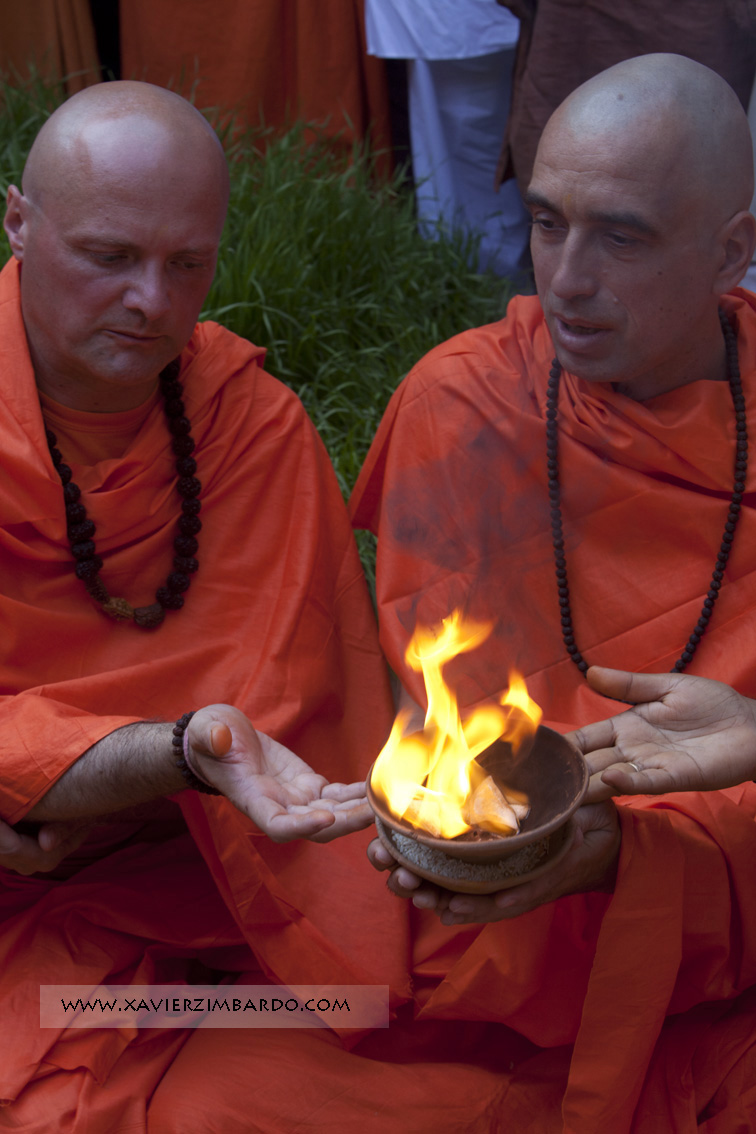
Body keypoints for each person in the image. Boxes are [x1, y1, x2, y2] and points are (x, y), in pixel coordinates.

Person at [346, 52, 756, 1133]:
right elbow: (437, 724)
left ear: (736, 251)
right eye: (546, 221)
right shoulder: (464, 399)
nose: (564, 279)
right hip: (489, 946)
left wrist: (650, 846)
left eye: (621, 235)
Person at [0, 79, 404, 1130]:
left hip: (221, 890)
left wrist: (125, 781)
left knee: (412, 1046)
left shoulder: (251, 428)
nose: (151, 301)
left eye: (188, 264)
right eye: (108, 257)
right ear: (17, 222)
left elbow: (296, 710)